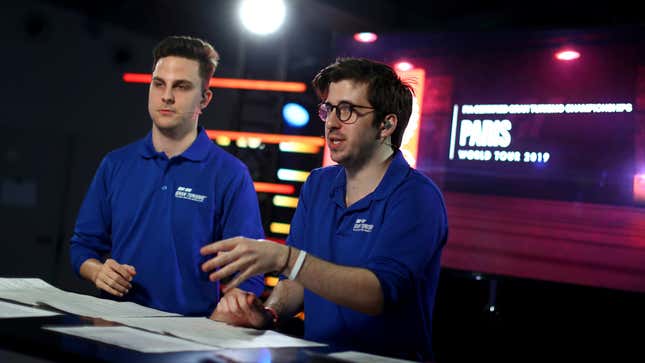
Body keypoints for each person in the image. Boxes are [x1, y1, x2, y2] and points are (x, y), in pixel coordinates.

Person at [199, 57, 448, 360]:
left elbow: (377, 294)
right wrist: (268, 314)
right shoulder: (318, 184)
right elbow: (299, 281)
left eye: (348, 111)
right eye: (329, 109)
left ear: (386, 124)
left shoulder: (417, 197)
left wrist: (287, 258)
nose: (332, 122)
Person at [70, 35, 265, 316]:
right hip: (113, 327)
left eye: (182, 86)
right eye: (158, 83)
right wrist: (99, 272)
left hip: (190, 341)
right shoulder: (116, 164)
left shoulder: (231, 175)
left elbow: (250, 272)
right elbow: (82, 247)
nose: (167, 96)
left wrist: (233, 302)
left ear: (205, 99)